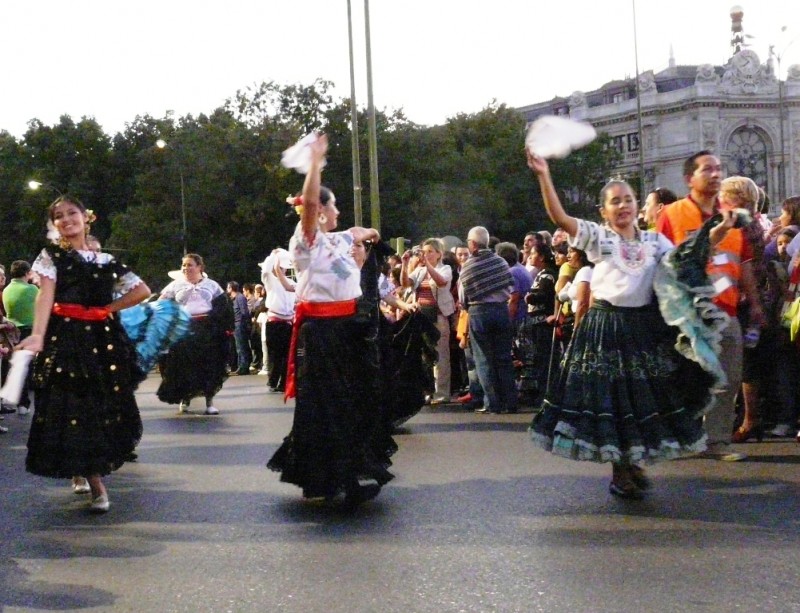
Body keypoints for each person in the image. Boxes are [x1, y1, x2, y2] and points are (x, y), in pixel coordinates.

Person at [527, 151, 717, 500]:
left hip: (643, 330)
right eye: (616, 201)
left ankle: (629, 463)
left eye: (629, 199)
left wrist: (715, 232)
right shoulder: (602, 239)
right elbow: (560, 216)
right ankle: (622, 470)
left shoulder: (654, 241)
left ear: (638, 207)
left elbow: (685, 263)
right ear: (604, 211)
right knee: (613, 405)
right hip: (605, 330)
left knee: (641, 402)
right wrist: (544, 176)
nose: (624, 205)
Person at [267, 133, 393, 506]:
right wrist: (315, 166)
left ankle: (337, 475)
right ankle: (336, 478)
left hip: (348, 330)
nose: (338, 212)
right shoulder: (305, 244)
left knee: (352, 403)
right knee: (329, 406)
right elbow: (309, 208)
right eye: (333, 207)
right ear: (320, 212)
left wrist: (370, 233)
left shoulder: (338, 239)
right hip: (323, 335)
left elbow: (359, 232)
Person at [17, 196, 151, 513]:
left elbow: (142, 290)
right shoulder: (50, 257)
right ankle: (96, 483)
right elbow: (44, 298)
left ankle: (82, 468)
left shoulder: (105, 260)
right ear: (55, 225)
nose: (66, 220)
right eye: (58, 216)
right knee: (73, 404)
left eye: (71, 213)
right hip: (65, 340)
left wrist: (107, 309)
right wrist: (37, 334)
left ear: (85, 218)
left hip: (101, 343)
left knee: (98, 406)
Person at [657, 152, 764, 462]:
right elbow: (659, 263)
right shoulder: (672, 215)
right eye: (707, 169)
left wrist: (754, 303)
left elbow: (742, 264)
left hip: (727, 314)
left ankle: (717, 440)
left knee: (727, 379)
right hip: (687, 314)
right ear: (690, 178)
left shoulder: (734, 218)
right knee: (685, 377)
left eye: (719, 169)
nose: (715, 174)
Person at [157, 254, 233, 415]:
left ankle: (209, 401)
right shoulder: (175, 285)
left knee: (208, 365)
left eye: (189, 265)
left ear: (199, 267)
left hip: (206, 329)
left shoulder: (212, 285)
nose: (185, 268)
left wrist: (216, 324)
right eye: (183, 265)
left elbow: (222, 307)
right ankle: (185, 398)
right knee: (183, 365)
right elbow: (161, 304)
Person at [459, 226, 517, 414]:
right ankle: (510, 401)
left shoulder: (468, 265)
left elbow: (462, 297)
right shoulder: (500, 262)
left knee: (483, 360)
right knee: (504, 358)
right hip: (501, 310)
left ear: (473, 244)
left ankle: (493, 403)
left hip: (478, 311)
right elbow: (510, 286)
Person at [401, 237, 455, 404]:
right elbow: (406, 284)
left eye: (430, 251)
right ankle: (426, 391)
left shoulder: (445, 268)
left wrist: (428, 265)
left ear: (439, 254)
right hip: (422, 316)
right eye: (424, 252)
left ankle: (442, 393)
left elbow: (441, 282)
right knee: (423, 356)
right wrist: (404, 264)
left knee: (440, 355)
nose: (426, 255)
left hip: (438, 316)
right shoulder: (420, 271)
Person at [3, 260, 39, 415]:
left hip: (10, 332)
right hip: (28, 331)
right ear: (26, 273)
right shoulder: (32, 289)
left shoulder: (6, 290)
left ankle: (15, 399)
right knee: (27, 368)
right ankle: (24, 404)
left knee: (13, 366)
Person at [262, 249, 297, 393]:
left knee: (287, 354)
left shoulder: (291, 283)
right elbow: (265, 271)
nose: (281, 270)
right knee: (274, 353)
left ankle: (283, 382)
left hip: (288, 321)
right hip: (275, 321)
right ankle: (272, 381)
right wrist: (273, 256)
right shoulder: (270, 280)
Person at [226, 281, 251, 375]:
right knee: (239, 347)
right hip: (237, 324)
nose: (227, 289)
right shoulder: (235, 298)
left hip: (240, 324)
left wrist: (245, 324)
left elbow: (244, 312)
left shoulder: (240, 297)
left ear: (231, 288)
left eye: (228, 287)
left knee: (241, 347)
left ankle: (243, 367)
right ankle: (241, 366)